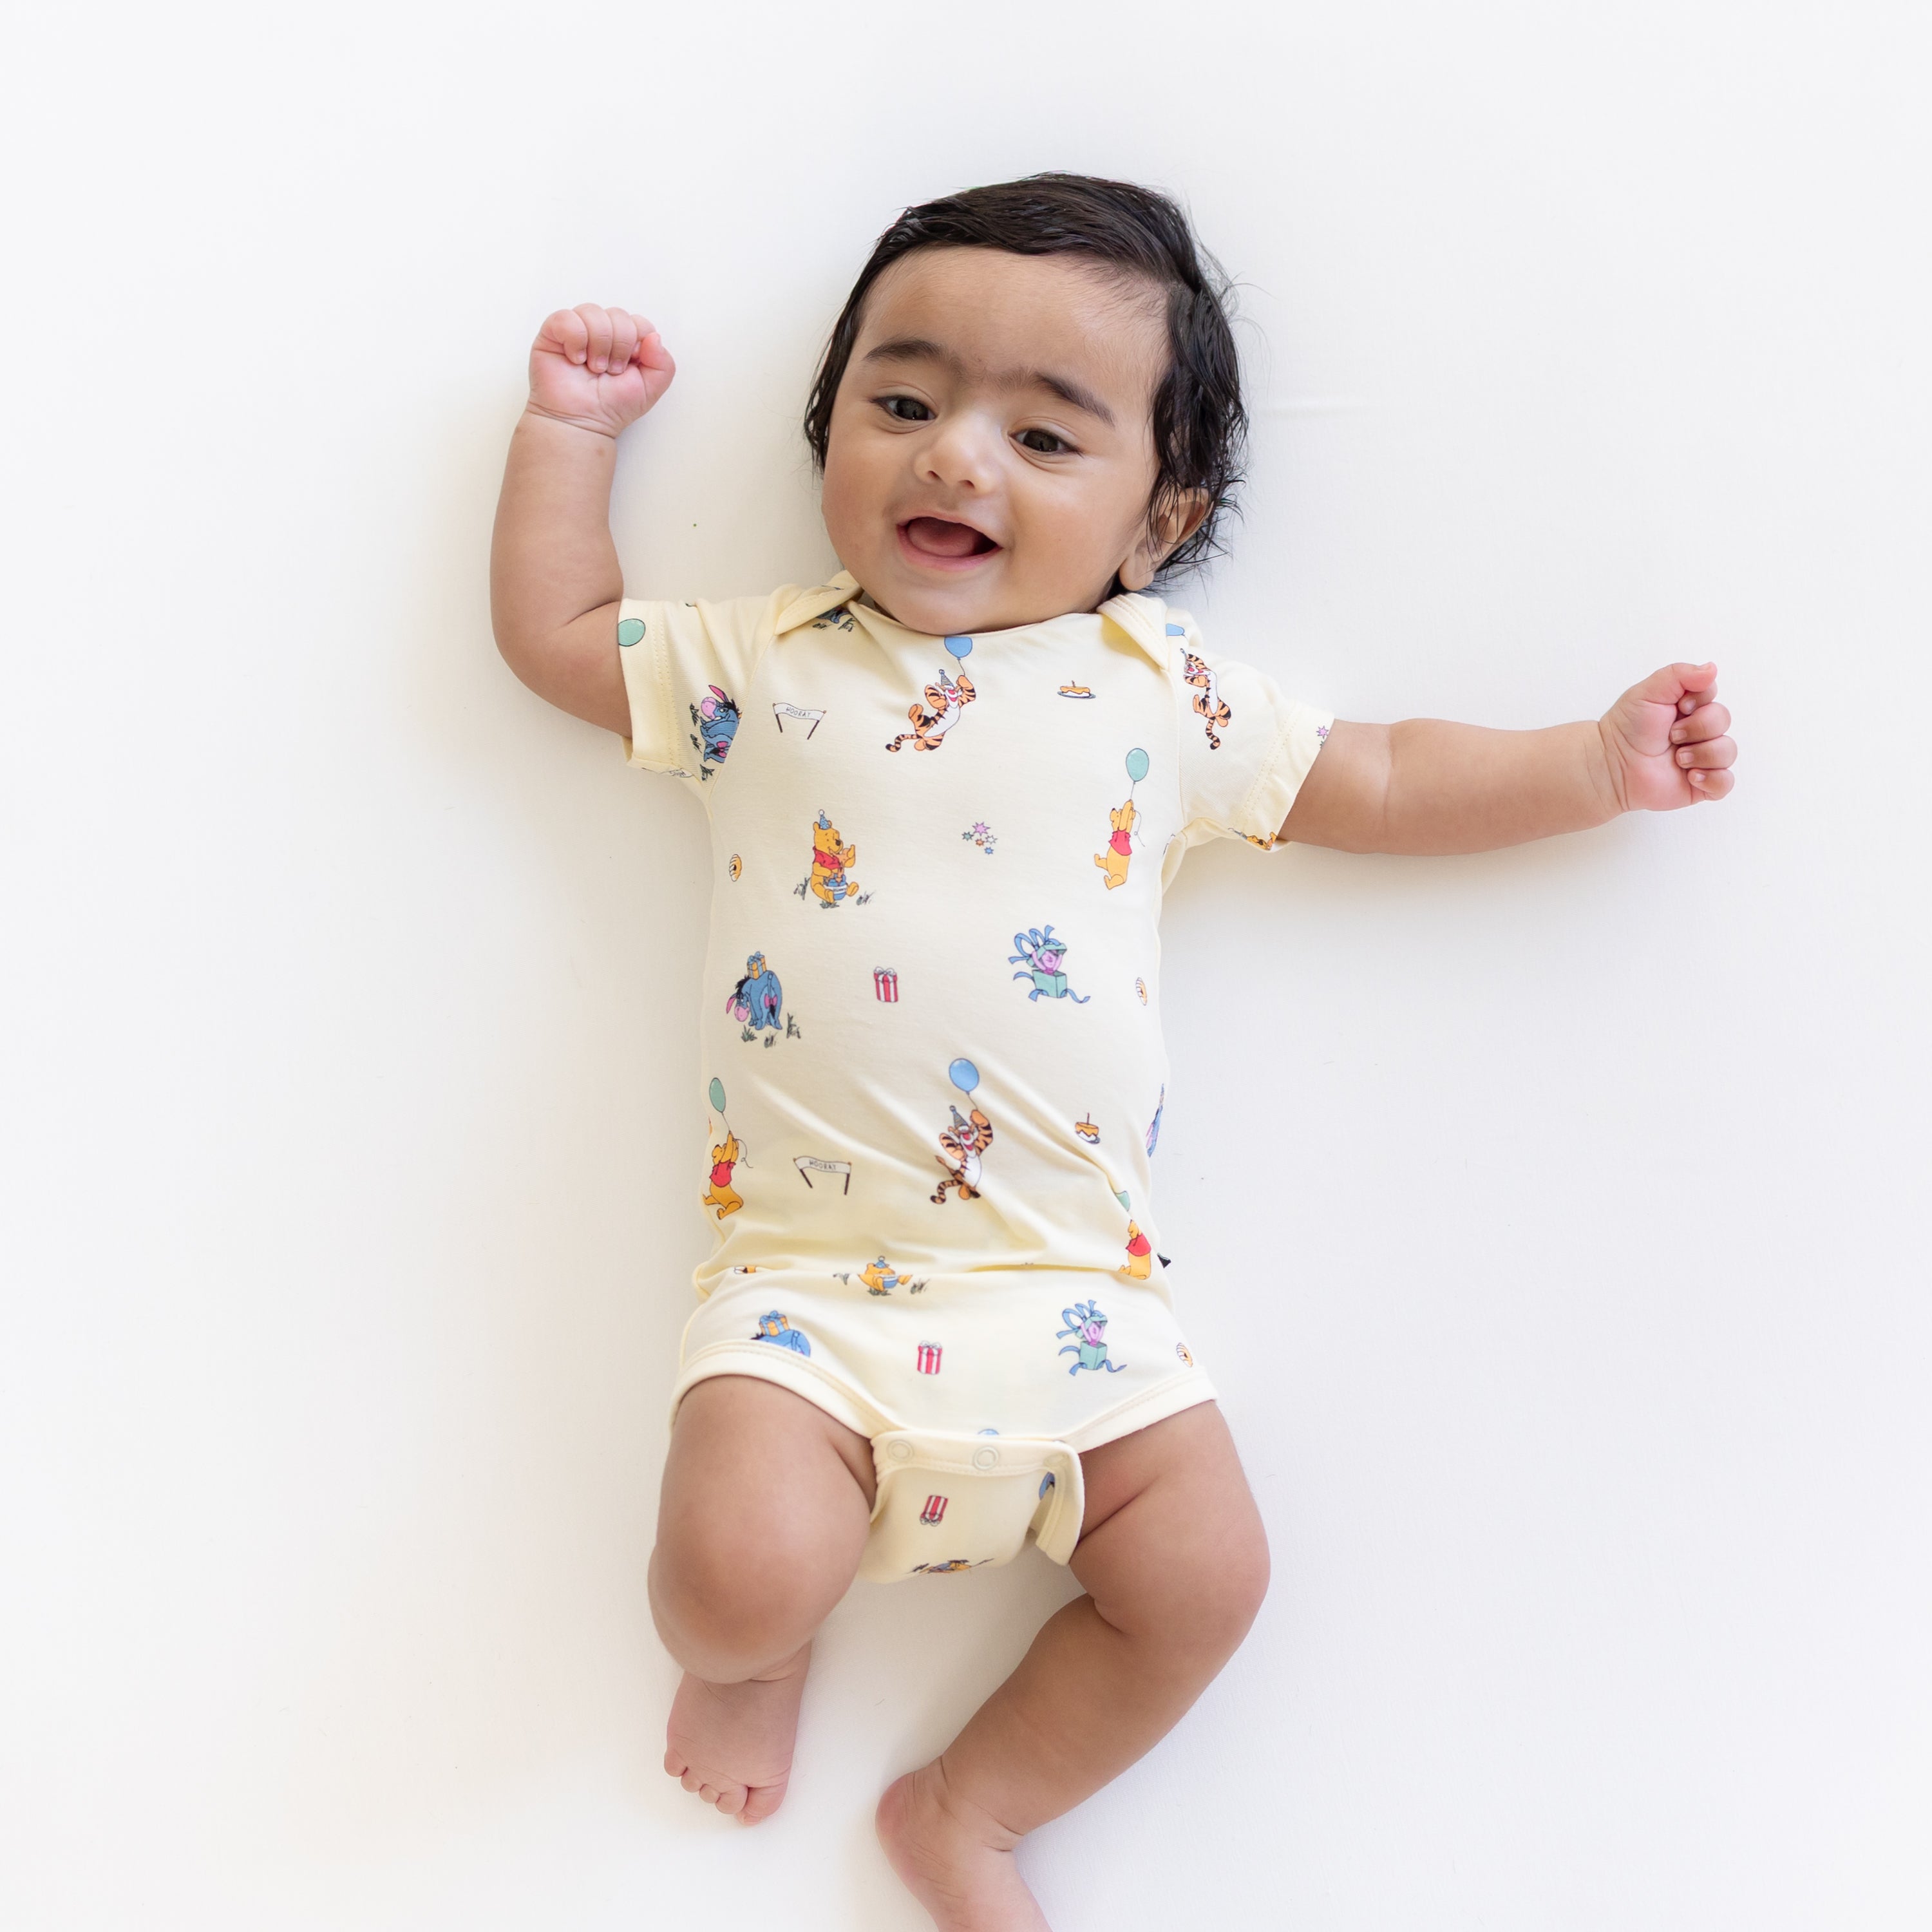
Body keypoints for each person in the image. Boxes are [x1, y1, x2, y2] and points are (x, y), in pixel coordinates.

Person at [489, 173, 1737, 1931]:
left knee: (1212, 1576)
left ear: (1161, 520)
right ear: (826, 428)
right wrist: (567, 439)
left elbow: (1373, 776)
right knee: (730, 1571)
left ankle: (972, 1811)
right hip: (805, 1295)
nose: (953, 460)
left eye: (1042, 434)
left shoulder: (1159, 690)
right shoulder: (759, 667)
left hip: (1080, 1296)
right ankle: (763, 1661)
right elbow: (555, 638)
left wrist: (1590, 766)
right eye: (903, 403)